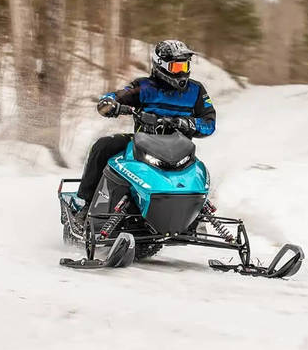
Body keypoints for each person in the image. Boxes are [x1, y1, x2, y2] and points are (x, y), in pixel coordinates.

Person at [74, 40, 216, 226]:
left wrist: (186, 123)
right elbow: (119, 95)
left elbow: (209, 123)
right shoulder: (144, 87)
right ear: (161, 65)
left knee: (198, 172)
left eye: (185, 65)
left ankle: (193, 212)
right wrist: (110, 103)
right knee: (104, 145)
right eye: (177, 66)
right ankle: (87, 203)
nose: (182, 71)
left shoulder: (196, 91)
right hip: (143, 144)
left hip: (179, 148)